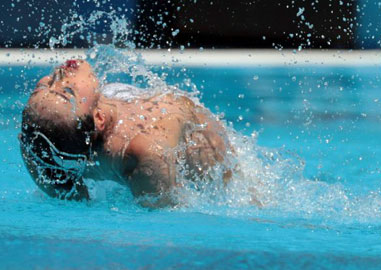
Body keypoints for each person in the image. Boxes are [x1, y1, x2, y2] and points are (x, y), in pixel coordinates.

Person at [20, 59, 232, 206]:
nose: (58, 76)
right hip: (217, 180)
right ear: (99, 119)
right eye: (68, 91)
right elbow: (169, 219)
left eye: (43, 87)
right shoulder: (145, 149)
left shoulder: (40, 147)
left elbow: (72, 201)